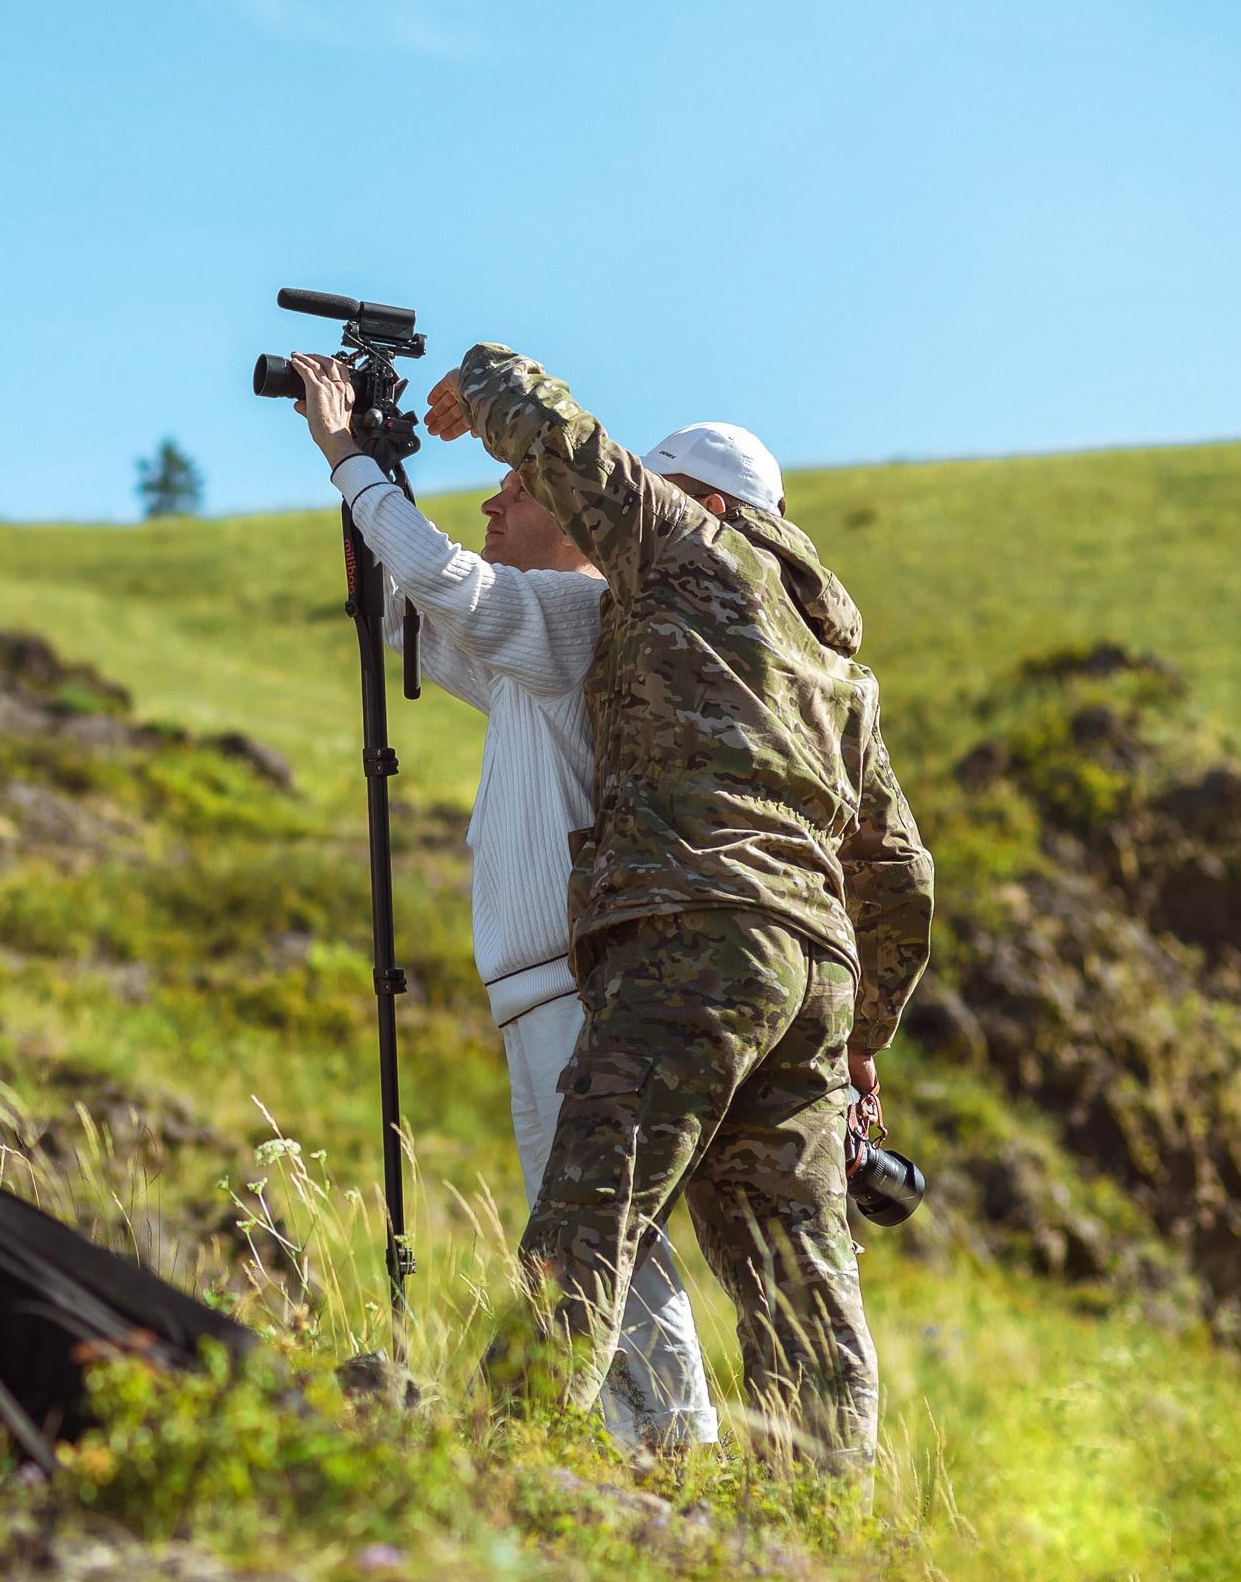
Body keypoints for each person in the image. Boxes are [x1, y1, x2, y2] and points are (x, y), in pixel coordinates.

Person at [423, 344, 934, 1474]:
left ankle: (508, 1467)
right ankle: (825, 1522)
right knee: (800, 1276)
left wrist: (476, 380)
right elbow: (898, 871)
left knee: (590, 1217)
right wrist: (860, 1042)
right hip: (811, 979)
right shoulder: (840, 670)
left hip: (689, 937)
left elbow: (554, 432)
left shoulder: (683, 547)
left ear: (705, 500)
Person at [287, 352, 719, 1451]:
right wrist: (374, 480)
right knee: (595, 1237)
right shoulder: (551, 641)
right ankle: (650, 1450)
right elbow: (403, 620)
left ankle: (675, 1447)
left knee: (602, 1239)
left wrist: (348, 461)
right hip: (545, 987)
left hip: (569, 988)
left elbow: (447, 588)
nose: (493, 499)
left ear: (580, 521)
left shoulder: (578, 610)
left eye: (518, 489)